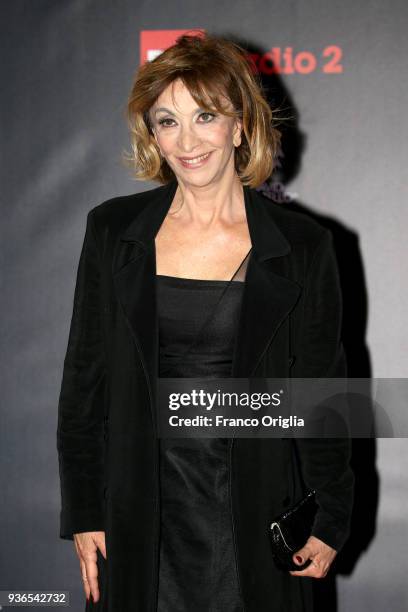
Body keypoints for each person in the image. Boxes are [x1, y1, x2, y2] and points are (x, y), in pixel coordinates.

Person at [56, 32, 354, 612]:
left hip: (253, 508)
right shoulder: (113, 233)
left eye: (205, 116)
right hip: (141, 513)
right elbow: (82, 385)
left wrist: (332, 514)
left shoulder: (303, 246)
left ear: (240, 126)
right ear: (153, 133)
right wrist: (86, 509)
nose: (186, 141)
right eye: (167, 121)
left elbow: (325, 392)